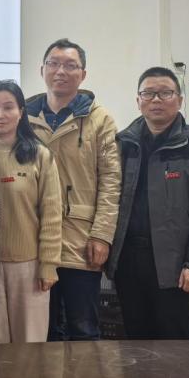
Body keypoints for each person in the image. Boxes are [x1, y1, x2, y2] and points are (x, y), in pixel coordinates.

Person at [106, 67, 189, 340]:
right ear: (138, 100)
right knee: (135, 346)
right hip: (128, 262)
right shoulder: (123, 143)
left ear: (180, 100)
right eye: (148, 93)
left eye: (165, 93)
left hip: (176, 265)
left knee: (174, 345)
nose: (156, 100)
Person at [26, 39, 120, 341]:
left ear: (83, 74)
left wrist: (102, 235)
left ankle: (85, 377)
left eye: (70, 65)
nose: (60, 71)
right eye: (53, 64)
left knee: (83, 329)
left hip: (81, 240)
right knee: (43, 331)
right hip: (33, 240)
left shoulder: (99, 118)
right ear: (42, 69)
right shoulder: (23, 117)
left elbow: (111, 180)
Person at [0, 80, 62, 344]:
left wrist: (48, 265)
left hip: (29, 266)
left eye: (7, 107)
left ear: (21, 112)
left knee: (30, 345)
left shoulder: (40, 155)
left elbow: (51, 214)